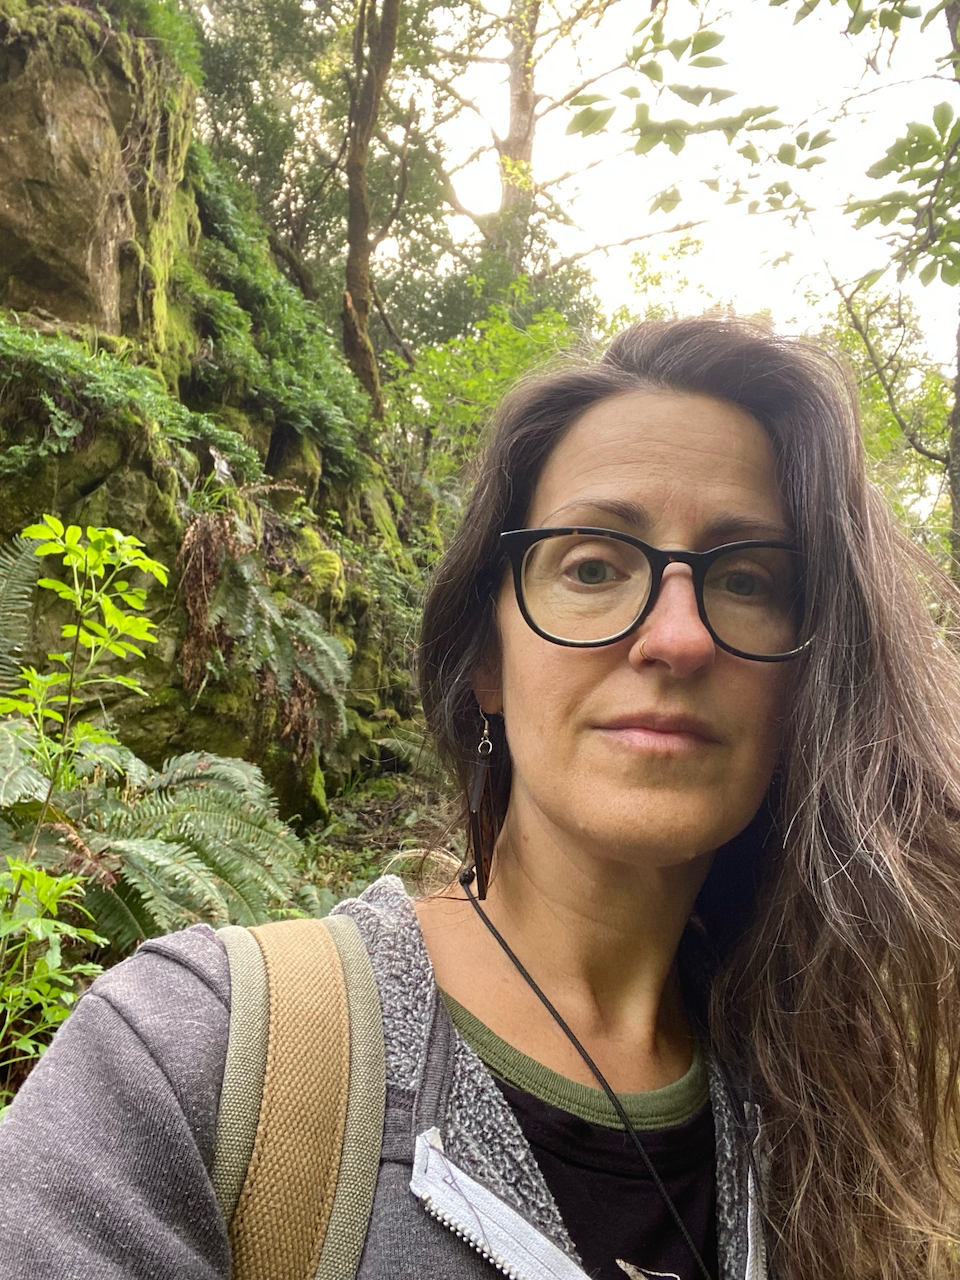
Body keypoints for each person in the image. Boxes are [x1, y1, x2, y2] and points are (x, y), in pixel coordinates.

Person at [0, 315, 957, 1280]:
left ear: (810, 683)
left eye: (748, 579)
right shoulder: (194, 1055)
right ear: (486, 665)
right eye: (592, 566)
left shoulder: (863, 1127)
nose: (678, 637)